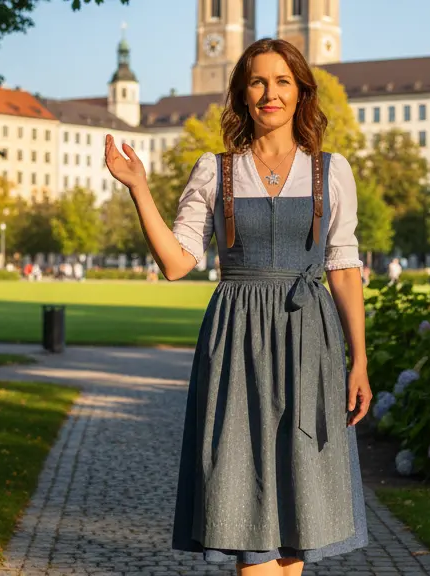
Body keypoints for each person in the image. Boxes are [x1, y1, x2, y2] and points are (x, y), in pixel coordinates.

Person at [104, 37, 372, 576]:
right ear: (242, 94)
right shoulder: (216, 170)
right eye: (257, 81)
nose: (269, 93)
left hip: (310, 340)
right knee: (243, 503)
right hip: (237, 342)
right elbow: (177, 263)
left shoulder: (330, 171)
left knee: (300, 515)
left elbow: (344, 269)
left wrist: (359, 360)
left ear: (300, 93)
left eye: (281, 82)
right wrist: (139, 188)